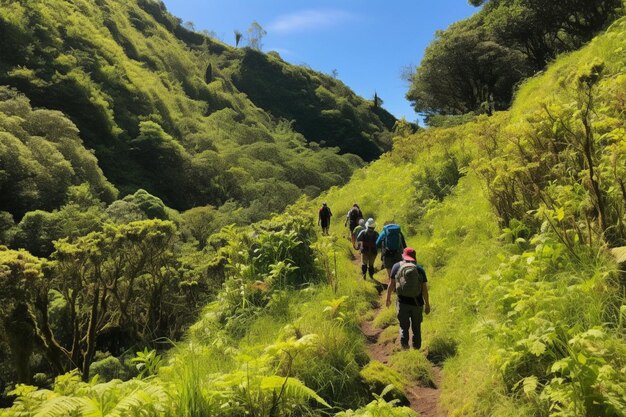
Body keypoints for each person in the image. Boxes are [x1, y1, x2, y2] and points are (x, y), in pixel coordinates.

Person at [385, 247, 430, 350]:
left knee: (403, 327)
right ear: (414, 257)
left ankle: (405, 349)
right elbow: (424, 290)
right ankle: (416, 350)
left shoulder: (396, 267)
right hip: (417, 303)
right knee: (416, 327)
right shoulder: (419, 269)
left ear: (403, 256)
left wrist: (387, 298)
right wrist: (427, 304)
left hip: (402, 302)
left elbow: (391, 284)